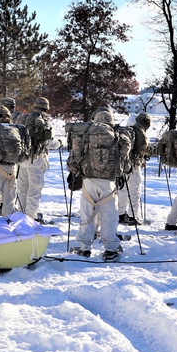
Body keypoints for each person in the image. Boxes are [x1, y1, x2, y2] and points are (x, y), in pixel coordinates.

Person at [70, 109, 131, 260]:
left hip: (89, 180)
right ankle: (110, 248)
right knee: (109, 216)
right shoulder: (117, 135)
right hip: (108, 182)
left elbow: (75, 155)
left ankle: (84, 248)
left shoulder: (86, 133)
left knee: (87, 214)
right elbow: (125, 154)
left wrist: (75, 170)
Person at [17, 97, 59, 222]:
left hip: (22, 158)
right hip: (36, 159)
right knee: (34, 191)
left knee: (22, 189)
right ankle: (30, 218)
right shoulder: (43, 121)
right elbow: (50, 142)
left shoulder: (24, 118)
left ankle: (21, 216)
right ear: (46, 108)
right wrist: (59, 143)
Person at [118, 113, 151, 226]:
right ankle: (133, 216)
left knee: (123, 190)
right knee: (135, 191)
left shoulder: (126, 130)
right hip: (134, 166)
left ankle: (121, 214)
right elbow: (144, 149)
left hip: (124, 165)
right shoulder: (140, 132)